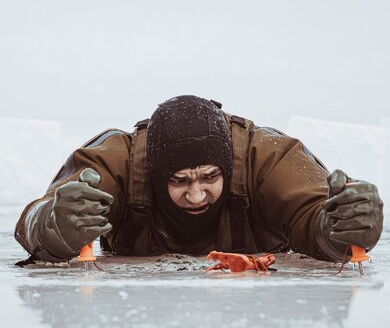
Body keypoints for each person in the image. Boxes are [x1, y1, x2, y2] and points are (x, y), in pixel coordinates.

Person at [15, 96, 383, 263]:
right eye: (180, 181)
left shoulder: (268, 158)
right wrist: (54, 225)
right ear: (156, 175)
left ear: (228, 166)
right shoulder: (116, 164)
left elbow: (312, 214)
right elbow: (38, 217)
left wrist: (339, 226)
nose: (196, 195)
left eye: (210, 177)